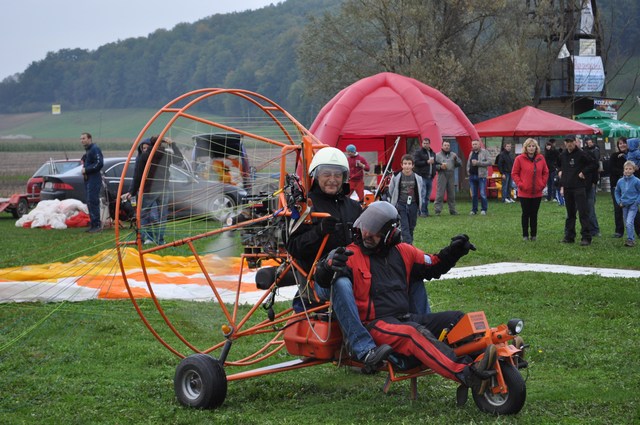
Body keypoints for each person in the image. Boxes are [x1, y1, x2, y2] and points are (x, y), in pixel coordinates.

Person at [314, 201, 497, 394]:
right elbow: (322, 285)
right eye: (366, 228)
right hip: (376, 325)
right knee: (413, 334)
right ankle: (466, 374)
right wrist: (327, 267)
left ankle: (491, 362)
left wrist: (454, 251)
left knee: (458, 319)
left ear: (390, 234)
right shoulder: (350, 254)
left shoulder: (404, 251)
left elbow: (433, 264)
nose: (367, 234)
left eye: (375, 231)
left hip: (405, 319)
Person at [287, 147, 396, 367]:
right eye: (326, 174)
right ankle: (363, 350)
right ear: (316, 176)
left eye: (337, 175)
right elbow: (294, 248)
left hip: (357, 271)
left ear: (345, 177)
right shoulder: (306, 207)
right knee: (341, 282)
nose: (332, 180)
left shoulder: (354, 207)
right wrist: (318, 232)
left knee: (399, 272)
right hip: (319, 280)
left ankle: (414, 334)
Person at [124, 135, 183, 245]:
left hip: (149, 190)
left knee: (143, 215)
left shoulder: (145, 156)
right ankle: (160, 241)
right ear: (161, 144)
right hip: (164, 189)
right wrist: (172, 144)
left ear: (151, 145)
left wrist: (132, 192)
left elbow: (138, 176)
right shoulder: (166, 155)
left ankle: (142, 238)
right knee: (162, 217)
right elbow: (180, 157)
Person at [558, 137, 595, 246]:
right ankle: (569, 236)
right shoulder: (562, 155)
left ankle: (586, 237)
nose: (569, 144)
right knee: (570, 214)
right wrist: (559, 172)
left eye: (571, 142)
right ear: (565, 143)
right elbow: (558, 165)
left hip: (579, 187)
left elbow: (594, 164)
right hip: (567, 187)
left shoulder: (581, 154)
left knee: (583, 212)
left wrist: (584, 172)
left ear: (575, 142)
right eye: (567, 142)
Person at [512, 138, 549, 241]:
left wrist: (542, 184)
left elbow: (546, 172)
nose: (531, 148)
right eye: (529, 146)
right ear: (526, 148)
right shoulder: (519, 159)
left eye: (533, 146)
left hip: (537, 192)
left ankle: (533, 235)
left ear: (536, 148)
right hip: (524, 192)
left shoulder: (541, 158)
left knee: (534, 214)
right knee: (525, 214)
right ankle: (525, 235)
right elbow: (514, 173)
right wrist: (520, 184)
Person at [609, 137, 640, 238]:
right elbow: (611, 169)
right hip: (617, 185)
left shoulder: (633, 155)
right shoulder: (614, 156)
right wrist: (624, 173)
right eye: (620, 143)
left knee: (634, 209)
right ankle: (619, 231)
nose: (622, 145)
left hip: (632, 187)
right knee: (618, 208)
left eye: (624, 143)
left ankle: (638, 231)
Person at [388, 154, 423, 244]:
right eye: (405, 163)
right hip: (401, 204)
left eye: (409, 163)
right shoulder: (396, 176)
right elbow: (391, 190)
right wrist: (394, 202)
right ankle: (408, 245)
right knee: (404, 226)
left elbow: (421, 190)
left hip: (413, 204)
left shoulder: (417, 177)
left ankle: (407, 242)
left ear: (412, 165)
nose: (407, 166)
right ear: (401, 165)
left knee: (411, 226)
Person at [80, 132, 104, 233]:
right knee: (89, 201)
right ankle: (93, 224)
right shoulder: (88, 150)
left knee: (93, 201)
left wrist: (87, 169)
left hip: (94, 178)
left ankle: (97, 224)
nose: (82, 140)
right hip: (88, 179)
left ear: (89, 139)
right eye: (81, 139)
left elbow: (99, 163)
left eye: (84, 138)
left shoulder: (95, 149)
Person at [614, 161, 640, 247]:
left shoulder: (637, 181)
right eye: (626, 169)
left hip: (633, 205)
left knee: (629, 222)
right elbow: (617, 192)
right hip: (624, 205)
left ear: (633, 170)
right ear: (624, 170)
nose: (628, 171)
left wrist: (636, 202)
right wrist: (619, 201)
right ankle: (631, 237)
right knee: (628, 223)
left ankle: (630, 240)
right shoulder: (620, 181)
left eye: (630, 169)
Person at [433, 140, 462, 216]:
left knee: (452, 194)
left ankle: (452, 210)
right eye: (445, 145)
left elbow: (459, 164)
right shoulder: (437, 155)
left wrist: (456, 160)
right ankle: (437, 210)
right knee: (440, 193)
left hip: (451, 174)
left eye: (448, 146)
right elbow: (433, 166)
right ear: (442, 146)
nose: (447, 147)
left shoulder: (453, 155)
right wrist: (440, 167)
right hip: (442, 174)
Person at [466, 140, 492, 215]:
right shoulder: (471, 153)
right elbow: (468, 163)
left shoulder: (485, 152)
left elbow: (490, 162)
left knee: (482, 193)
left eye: (476, 144)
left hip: (481, 176)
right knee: (474, 194)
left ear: (479, 145)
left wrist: (478, 163)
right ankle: (474, 210)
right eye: (473, 144)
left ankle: (484, 209)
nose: (474, 145)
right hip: (472, 176)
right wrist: (468, 171)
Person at [413, 138, 437, 216]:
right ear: (422, 144)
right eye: (424, 143)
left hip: (430, 177)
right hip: (422, 176)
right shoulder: (419, 152)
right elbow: (416, 162)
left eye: (427, 143)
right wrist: (426, 162)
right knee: (422, 195)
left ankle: (425, 211)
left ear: (429, 144)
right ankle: (421, 212)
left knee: (427, 196)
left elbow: (434, 163)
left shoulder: (433, 153)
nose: (425, 144)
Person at [583, 137, 601, 237]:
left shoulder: (594, 151)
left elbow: (595, 166)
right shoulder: (583, 151)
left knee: (590, 208)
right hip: (581, 185)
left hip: (590, 184)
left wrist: (594, 181)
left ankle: (594, 229)